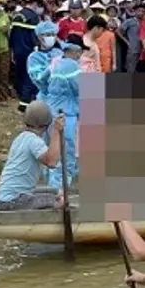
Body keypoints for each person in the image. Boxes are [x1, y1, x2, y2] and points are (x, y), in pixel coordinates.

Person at [0, 102, 66, 210]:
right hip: (14, 200)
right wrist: (56, 131)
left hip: (5, 197)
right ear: (45, 125)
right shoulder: (34, 141)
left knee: (57, 192)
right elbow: (51, 162)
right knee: (60, 201)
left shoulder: (20, 138)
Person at [42, 35, 85, 188]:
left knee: (51, 149)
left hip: (50, 110)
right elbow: (81, 88)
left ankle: (50, 185)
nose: (80, 56)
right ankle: (60, 190)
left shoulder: (55, 63)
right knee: (66, 154)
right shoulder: (72, 67)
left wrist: (49, 95)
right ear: (75, 51)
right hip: (66, 114)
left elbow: (41, 79)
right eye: (80, 52)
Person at [9, 0, 42, 111]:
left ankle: (21, 96)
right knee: (30, 77)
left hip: (17, 50)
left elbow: (11, 34)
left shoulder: (17, 15)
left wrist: (12, 49)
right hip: (30, 51)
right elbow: (35, 37)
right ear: (35, 4)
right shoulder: (34, 18)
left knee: (20, 75)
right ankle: (25, 102)